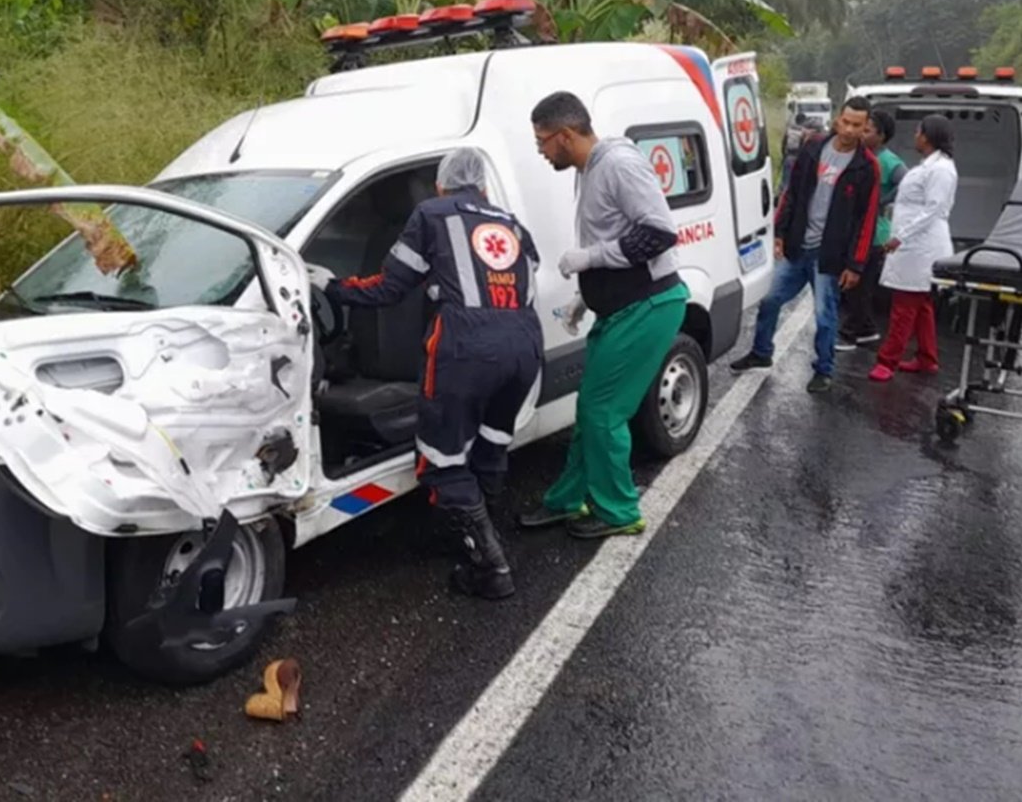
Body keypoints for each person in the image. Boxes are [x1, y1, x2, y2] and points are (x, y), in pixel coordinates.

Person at [317, 148, 544, 600]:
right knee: (492, 439)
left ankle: (489, 566)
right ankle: (475, 535)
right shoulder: (511, 223)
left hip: (466, 345)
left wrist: (331, 286)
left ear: (442, 184)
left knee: (440, 460)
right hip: (525, 342)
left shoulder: (431, 214)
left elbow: (389, 287)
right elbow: (529, 275)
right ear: (480, 186)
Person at [519, 92, 688, 539]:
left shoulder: (617, 165)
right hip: (619, 308)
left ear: (566, 135)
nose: (540, 150)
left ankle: (619, 511)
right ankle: (569, 499)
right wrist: (584, 296)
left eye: (542, 141)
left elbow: (659, 233)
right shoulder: (587, 169)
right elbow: (615, 232)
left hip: (648, 305)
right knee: (590, 408)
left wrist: (591, 258)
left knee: (603, 412)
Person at [730, 97, 880, 393]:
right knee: (770, 299)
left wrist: (855, 264)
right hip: (800, 248)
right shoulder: (814, 148)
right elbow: (792, 193)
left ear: (865, 128)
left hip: (831, 256)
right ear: (838, 119)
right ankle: (761, 352)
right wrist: (780, 231)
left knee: (825, 316)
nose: (849, 130)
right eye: (846, 122)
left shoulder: (867, 167)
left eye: (857, 126)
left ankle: (824, 369)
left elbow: (868, 219)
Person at [868, 114, 957, 381]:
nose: (915, 135)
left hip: (920, 248)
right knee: (921, 306)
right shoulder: (929, 166)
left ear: (928, 137)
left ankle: (887, 361)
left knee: (904, 307)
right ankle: (927, 358)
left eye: (918, 131)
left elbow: (933, 210)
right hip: (914, 245)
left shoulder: (940, 169)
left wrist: (900, 237)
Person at [837, 109, 908, 350]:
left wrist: (881, 200)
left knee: (860, 288)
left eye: (867, 131)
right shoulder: (860, 155)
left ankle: (849, 333)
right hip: (856, 231)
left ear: (882, 135)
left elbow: (905, 184)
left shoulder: (888, 161)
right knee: (857, 286)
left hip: (875, 234)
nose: (862, 134)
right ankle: (866, 328)